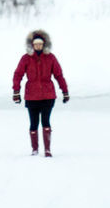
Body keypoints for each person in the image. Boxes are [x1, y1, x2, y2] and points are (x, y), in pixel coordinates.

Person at [11, 29, 69, 157]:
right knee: (33, 123)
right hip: (31, 96)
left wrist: (65, 91)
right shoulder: (26, 58)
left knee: (46, 121)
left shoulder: (51, 58)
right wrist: (16, 91)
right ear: (32, 44)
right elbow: (18, 74)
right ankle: (35, 149)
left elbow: (59, 75)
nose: (38, 46)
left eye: (40, 44)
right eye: (36, 44)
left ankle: (47, 149)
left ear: (44, 44)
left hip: (48, 95)